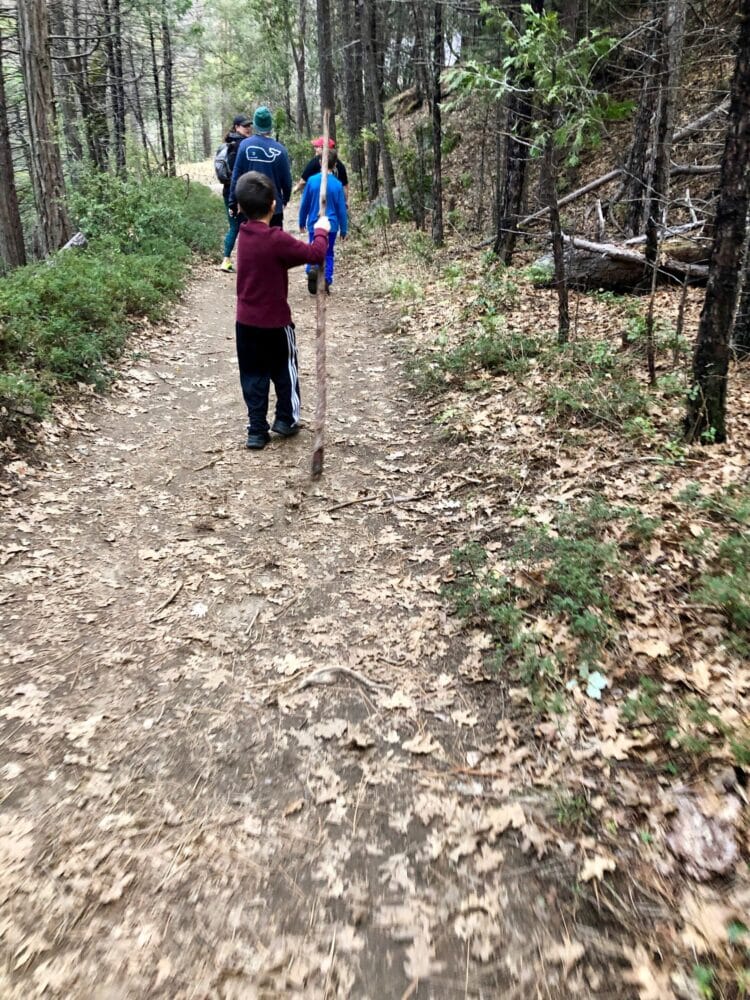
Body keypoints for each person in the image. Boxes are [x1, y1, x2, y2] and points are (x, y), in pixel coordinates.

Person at [233, 171, 331, 450]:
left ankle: (256, 430)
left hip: (246, 324)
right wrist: (321, 229)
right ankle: (286, 419)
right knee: (285, 370)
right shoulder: (275, 239)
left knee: (253, 375)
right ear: (274, 205)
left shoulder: (245, 235)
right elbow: (315, 254)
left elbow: (276, 262)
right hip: (276, 324)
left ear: (240, 208)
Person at [228, 106, 292, 229]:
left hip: (250, 207)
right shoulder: (281, 150)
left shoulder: (244, 145)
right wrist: (284, 199)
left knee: (253, 245)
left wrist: (232, 202)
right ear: (270, 125)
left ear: (255, 124)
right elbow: (287, 181)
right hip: (273, 208)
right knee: (275, 245)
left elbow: (236, 175)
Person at [298, 155, 347, 295]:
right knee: (329, 252)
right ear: (335, 165)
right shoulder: (337, 184)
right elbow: (341, 209)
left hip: (314, 223)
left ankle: (311, 269)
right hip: (331, 225)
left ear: (320, 162)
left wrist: (302, 221)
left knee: (313, 248)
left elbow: (304, 204)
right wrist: (344, 228)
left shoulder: (311, 181)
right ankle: (326, 278)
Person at [219, 114, 252, 272]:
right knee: (242, 227)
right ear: (236, 127)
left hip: (229, 192)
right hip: (238, 193)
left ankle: (227, 260)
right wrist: (238, 198)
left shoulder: (229, 143)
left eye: (249, 125)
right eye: (245, 126)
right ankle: (234, 261)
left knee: (235, 226)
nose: (248, 128)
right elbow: (238, 173)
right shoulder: (241, 145)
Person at [295, 137, 349, 206]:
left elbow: (303, 182)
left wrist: (295, 189)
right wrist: (345, 201)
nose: (315, 148)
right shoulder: (340, 165)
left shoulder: (315, 162)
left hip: (318, 202)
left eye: (317, 147)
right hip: (335, 202)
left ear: (324, 148)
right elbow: (345, 186)